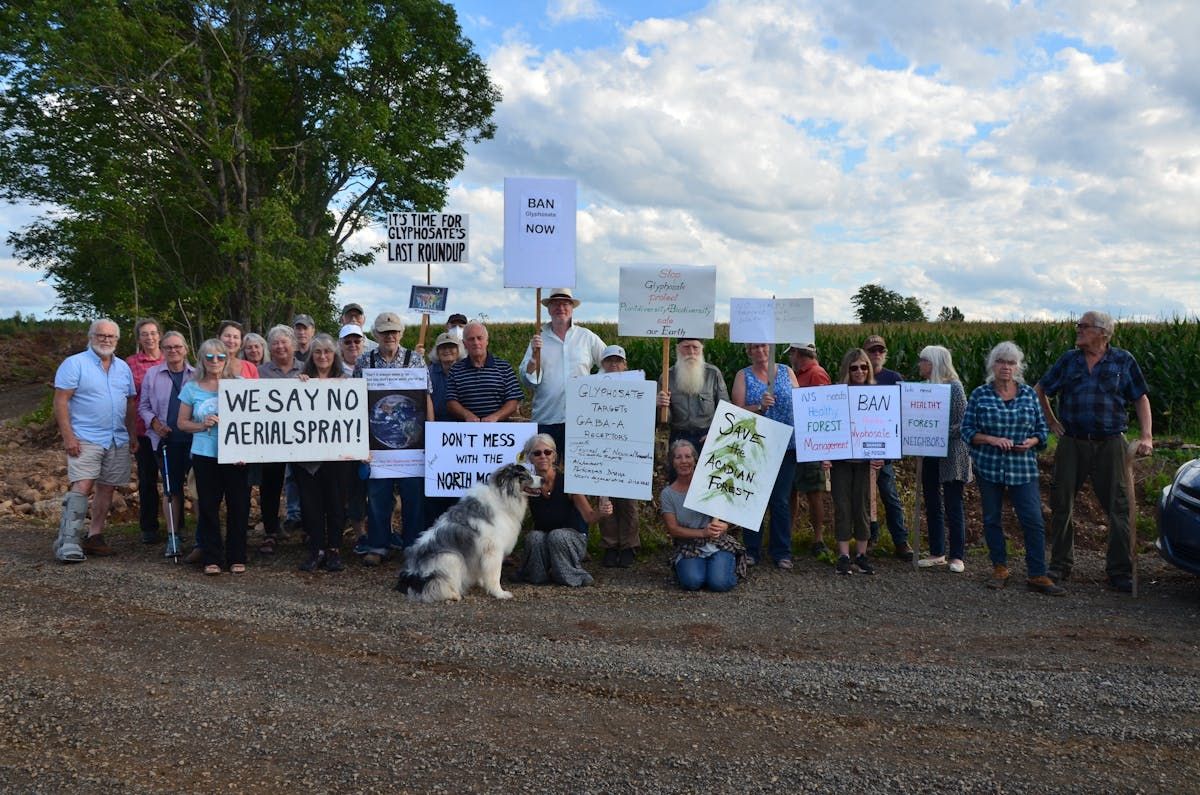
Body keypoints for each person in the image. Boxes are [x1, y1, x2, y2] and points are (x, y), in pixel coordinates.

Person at [1036, 311, 1153, 593]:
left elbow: (1140, 398)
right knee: (1061, 502)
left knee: (1120, 506)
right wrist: (1052, 422)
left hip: (1111, 442)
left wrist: (1147, 436)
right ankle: (1060, 566)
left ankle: (1119, 571)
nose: (1078, 330)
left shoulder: (1123, 360)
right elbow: (1040, 390)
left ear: (1102, 332)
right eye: (1078, 325)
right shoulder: (1069, 360)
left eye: (1084, 326)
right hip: (1072, 441)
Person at [962, 342, 1063, 595]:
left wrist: (1032, 441)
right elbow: (967, 431)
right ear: (992, 365)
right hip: (989, 465)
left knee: (1033, 519)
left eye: (1011, 363)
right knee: (991, 518)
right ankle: (999, 568)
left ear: (1018, 367)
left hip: (1023, 467)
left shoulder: (1029, 394)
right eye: (1001, 362)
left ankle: (1037, 573)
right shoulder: (980, 394)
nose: (1006, 367)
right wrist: (991, 439)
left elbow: (1042, 431)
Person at [52, 319, 138, 562]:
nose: (106, 340)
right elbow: (61, 401)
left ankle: (95, 536)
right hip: (86, 437)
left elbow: (130, 402)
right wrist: (68, 436)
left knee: (107, 487)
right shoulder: (74, 364)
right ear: (91, 337)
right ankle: (68, 540)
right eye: (101, 335)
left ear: (117, 340)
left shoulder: (123, 368)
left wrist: (132, 435)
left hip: (116, 438)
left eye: (111, 336)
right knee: (83, 485)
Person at [354, 311, 427, 564]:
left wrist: (430, 433)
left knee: (413, 495)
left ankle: (412, 545)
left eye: (394, 331)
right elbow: (355, 401)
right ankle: (378, 544)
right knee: (377, 495)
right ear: (376, 334)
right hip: (376, 441)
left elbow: (425, 396)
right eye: (385, 332)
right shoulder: (364, 362)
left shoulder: (415, 360)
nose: (390, 336)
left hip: (412, 442)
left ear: (401, 333)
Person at [177, 339, 250, 576]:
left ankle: (237, 556)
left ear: (227, 359)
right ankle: (212, 557)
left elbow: (254, 418)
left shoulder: (240, 384)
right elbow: (182, 424)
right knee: (208, 506)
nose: (215, 361)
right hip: (205, 454)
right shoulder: (191, 388)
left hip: (236, 455)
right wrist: (201, 424)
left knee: (238, 506)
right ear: (201, 359)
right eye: (209, 357)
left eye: (220, 357)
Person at [731, 342, 800, 568]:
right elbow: (736, 411)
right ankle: (751, 550)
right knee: (753, 497)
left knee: (780, 500)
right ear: (748, 351)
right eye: (754, 348)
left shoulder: (787, 371)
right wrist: (759, 407)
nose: (760, 351)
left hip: (787, 445)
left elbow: (800, 403)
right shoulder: (743, 375)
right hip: (755, 445)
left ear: (770, 348)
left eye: (763, 346)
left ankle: (781, 552)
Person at [518, 288, 606, 457]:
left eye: (565, 304)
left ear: (572, 308)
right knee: (546, 470)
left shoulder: (586, 337)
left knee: (580, 470)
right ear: (549, 309)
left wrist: (596, 387)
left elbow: (609, 363)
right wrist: (533, 361)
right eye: (555, 304)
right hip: (547, 418)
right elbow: (527, 380)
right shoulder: (538, 340)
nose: (561, 308)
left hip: (582, 420)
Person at [294, 334, 354, 573]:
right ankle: (316, 549)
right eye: (318, 352)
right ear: (312, 355)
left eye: (327, 352)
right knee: (311, 505)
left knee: (336, 504)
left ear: (334, 355)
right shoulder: (300, 381)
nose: (322, 356)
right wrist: (297, 386)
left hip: (337, 457)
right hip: (307, 458)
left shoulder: (346, 381)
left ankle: (334, 550)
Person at [519, 433, 611, 587]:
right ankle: (538, 575)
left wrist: (601, 512)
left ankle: (572, 576)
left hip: (570, 538)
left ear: (554, 456)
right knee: (534, 537)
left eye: (547, 452)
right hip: (544, 539)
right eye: (537, 453)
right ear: (530, 458)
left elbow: (589, 517)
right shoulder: (527, 486)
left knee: (557, 536)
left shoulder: (568, 482)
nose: (543, 456)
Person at [660, 439, 746, 591]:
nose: (684, 461)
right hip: (689, 545)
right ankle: (703, 570)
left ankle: (721, 567)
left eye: (688, 456)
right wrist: (703, 532)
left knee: (719, 584)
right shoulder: (667, 494)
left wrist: (723, 526)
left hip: (717, 543)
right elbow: (673, 529)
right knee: (692, 582)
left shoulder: (711, 482)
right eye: (678, 457)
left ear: (695, 459)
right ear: (672, 462)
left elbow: (730, 514)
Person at [137, 332, 195, 554]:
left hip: (195, 440)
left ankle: (202, 536)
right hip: (165, 440)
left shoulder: (197, 374)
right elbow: (143, 406)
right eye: (168, 347)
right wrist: (154, 424)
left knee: (198, 489)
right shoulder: (152, 375)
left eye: (177, 347)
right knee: (171, 489)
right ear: (162, 349)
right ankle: (173, 537)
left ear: (186, 349)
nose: (173, 351)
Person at [915, 345, 971, 573]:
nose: (920, 364)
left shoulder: (954, 387)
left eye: (923, 360)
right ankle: (937, 552)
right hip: (930, 451)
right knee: (932, 502)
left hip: (952, 453)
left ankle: (957, 555)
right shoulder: (924, 389)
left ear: (934, 363)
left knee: (952, 503)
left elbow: (963, 423)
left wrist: (937, 433)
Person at [829, 349, 881, 576]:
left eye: (863, 367)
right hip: (841, 460)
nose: (859, 371)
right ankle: (843, 555)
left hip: (865, 462)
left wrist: (882, 454)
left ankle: (861, 555)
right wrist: (825, 453)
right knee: (842, 506)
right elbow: (827, 426)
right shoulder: (837, 396)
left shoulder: (878, 396)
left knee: (863, 508)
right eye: (854, 368)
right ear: (846, 370)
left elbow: (885, 429)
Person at [862, 334, 913, 560]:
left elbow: (901, 417)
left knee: (889, 496)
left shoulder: (894, 378)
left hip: (884, 449)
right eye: (872, 351)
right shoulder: (857, 376)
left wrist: (890, 453)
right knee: (863, 498)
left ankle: (900, 541)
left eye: (880, 351)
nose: (876, 355)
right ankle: (869, 538)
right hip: (860, 449)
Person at [256, 325, 303, 554]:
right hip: (271, 440)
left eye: (284, 342)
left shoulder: (306, 369)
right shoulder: (260, 372)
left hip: (302, 440)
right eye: (275, 343)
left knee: (305, 485)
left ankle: (308, 529)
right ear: (270, 347)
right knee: (271, 487)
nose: (280, 346)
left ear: (293, 345)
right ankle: (270, 531)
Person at [597, 345, 641, 567]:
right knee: (606, 499)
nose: (614, 364)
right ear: (602, 364)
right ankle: (610, 545)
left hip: (629, 449)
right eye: (609, 360)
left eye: (618, 360)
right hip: (601, 449)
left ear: (625, 364)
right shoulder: (591, 387)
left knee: (629, 502)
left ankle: (629, 545)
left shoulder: (637, 387)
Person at [787, 342, 832, 556]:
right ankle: (788, 535)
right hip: (795, 441)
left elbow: (823, 411)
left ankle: (818, 539)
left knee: (813, 492)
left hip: (811, 442)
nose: (790, 358)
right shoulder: (797, 375)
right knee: (792, 491)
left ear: (797, 353)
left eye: (791, 354)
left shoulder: (816, 374)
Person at [423, 331, 467, 531]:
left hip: (462, 433)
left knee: (459, 487)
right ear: (436, 351)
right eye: (442, 347)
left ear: (459, 350)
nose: (447, 350)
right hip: (436, 432)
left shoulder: (466, 370)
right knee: (437, 485)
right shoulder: (429, 372)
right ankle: (436, 530)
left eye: (451, 346)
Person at [126, 318, 164, 544]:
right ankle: (149, 526)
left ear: (160, 335)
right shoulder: (130, 363)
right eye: (144, 334)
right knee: (147, 480)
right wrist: (131, 435)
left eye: (153, 333)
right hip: (143, 430)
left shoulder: (171, 356)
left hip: (170, 430)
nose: (149, 338)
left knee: (173, 480)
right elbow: (129, 401)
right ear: (139, 338)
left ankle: (175, 525)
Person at [655, 337, 729, 455]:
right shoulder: (666, 376)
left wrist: (715, 434)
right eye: (686, 347)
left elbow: (726, 409)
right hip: (678, 438)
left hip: (707, 435)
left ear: (702, 349)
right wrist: (661, 405)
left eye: (695, 347)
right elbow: (665, 421)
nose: (691, 352)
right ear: (677, 349)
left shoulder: (713, 374)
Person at [445, 321, 523, 423]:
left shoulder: (504, 367)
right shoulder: (455, 370)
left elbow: (513, 401)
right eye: (471, 339)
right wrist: (466, 415)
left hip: (498, 431)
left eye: (479, 338)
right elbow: (451, 402)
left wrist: (496, 416)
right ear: (464, 344)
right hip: (465, 431)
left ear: (487, 341)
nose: (476, 342)